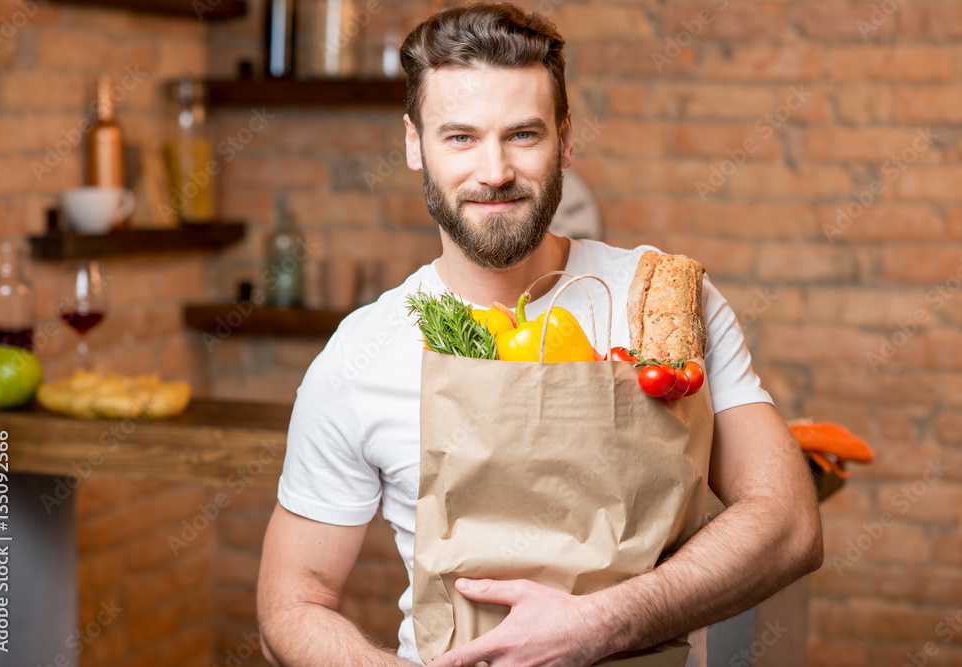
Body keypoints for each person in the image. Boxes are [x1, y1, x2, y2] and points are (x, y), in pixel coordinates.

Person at [256, 4, 824, 666]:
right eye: (460, 137)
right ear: (414, 144)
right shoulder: (361, 352)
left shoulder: (665, 302)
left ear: (566, 137)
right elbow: (290, 605)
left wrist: (604, 622)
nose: (494, 171)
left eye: (522, 135)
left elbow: (789, 521)